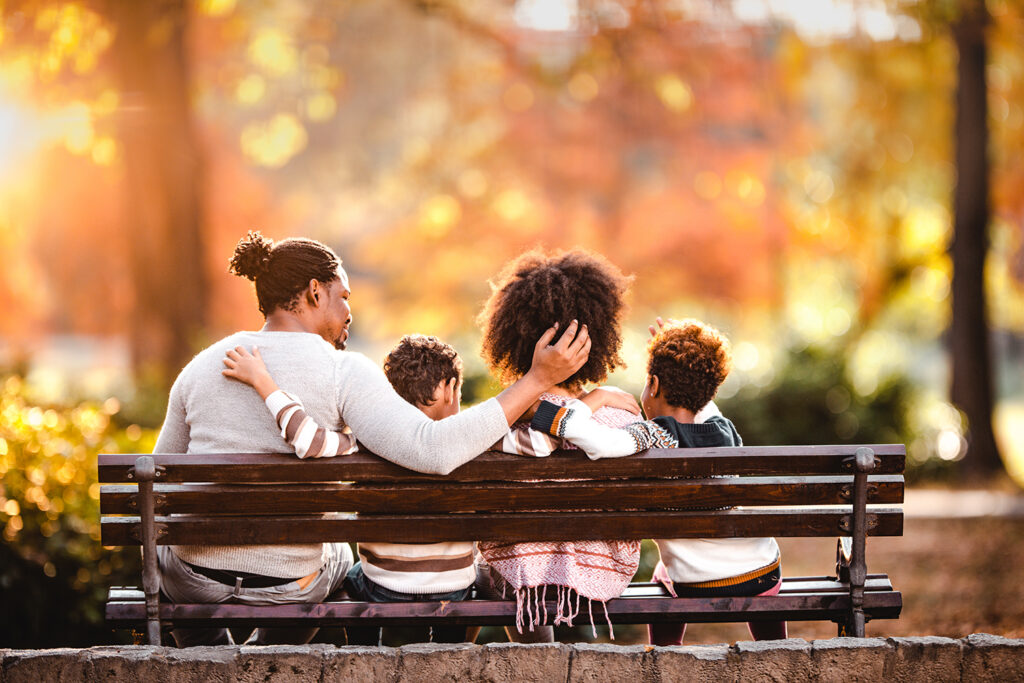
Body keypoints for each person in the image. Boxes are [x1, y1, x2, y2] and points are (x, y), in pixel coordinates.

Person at [153, 232, 591, 647]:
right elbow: (433, 449)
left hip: (196, 577)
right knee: (340, 559)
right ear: (314, 293)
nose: (348, 312)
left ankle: (206, 656)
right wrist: (537, 380)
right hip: (290, 585)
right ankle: (263, 660)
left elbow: (159, 480)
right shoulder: (343, 371)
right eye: (343, 297)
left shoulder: (204, 365)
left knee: (174, 562)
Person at [528, 318, 787, 645]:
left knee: (663, 576)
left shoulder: (652, 437)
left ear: (653, 383)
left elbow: (589, 437)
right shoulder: (724, 429)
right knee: (681, 570)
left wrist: (598, 397)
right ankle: (776, 646)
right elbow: (700, 401)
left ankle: (665, 653)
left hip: (697, 582)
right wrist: (687, 364)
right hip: (763, 574)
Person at [221, 334, 476, 645]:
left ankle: (363, 653)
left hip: (383, 586)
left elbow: (307, 439)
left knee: (351, 575)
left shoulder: (364, 444)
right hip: (454, 587)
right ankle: (450, 653)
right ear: (450, 389)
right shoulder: (473, 444)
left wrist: (263, 381)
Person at [473, 248, 645, 641]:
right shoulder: (621, 415)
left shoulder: (501, 420)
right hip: (604, 569)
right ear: (599, 337)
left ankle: (539, 654)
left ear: (512, 337)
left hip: (521, 574)